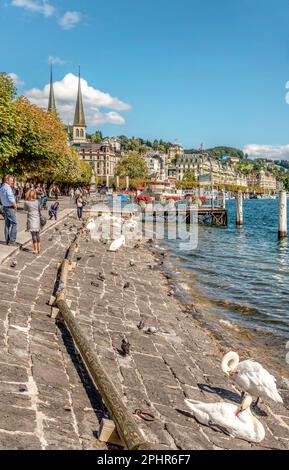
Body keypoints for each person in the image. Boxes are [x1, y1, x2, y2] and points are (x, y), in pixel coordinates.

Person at [0, 175, 18, 246]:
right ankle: (12, 241)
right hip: (10, 207)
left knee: (7, 225)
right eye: (11, 181)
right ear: (7, 180)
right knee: (14, 224)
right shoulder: (8, 188)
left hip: (5, 207)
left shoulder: (2, 188)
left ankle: (7, 240)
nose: (12, 182)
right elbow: (11, 198)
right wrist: (15, 205)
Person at [24, 190, 41, 254]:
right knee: (37, 234)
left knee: (33, 234)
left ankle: (35, 249)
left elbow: (25, 209)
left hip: (31, 218)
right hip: (37, 218)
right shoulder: (37, 201)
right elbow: (39, 209)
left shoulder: (26, 202)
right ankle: (39, 248)